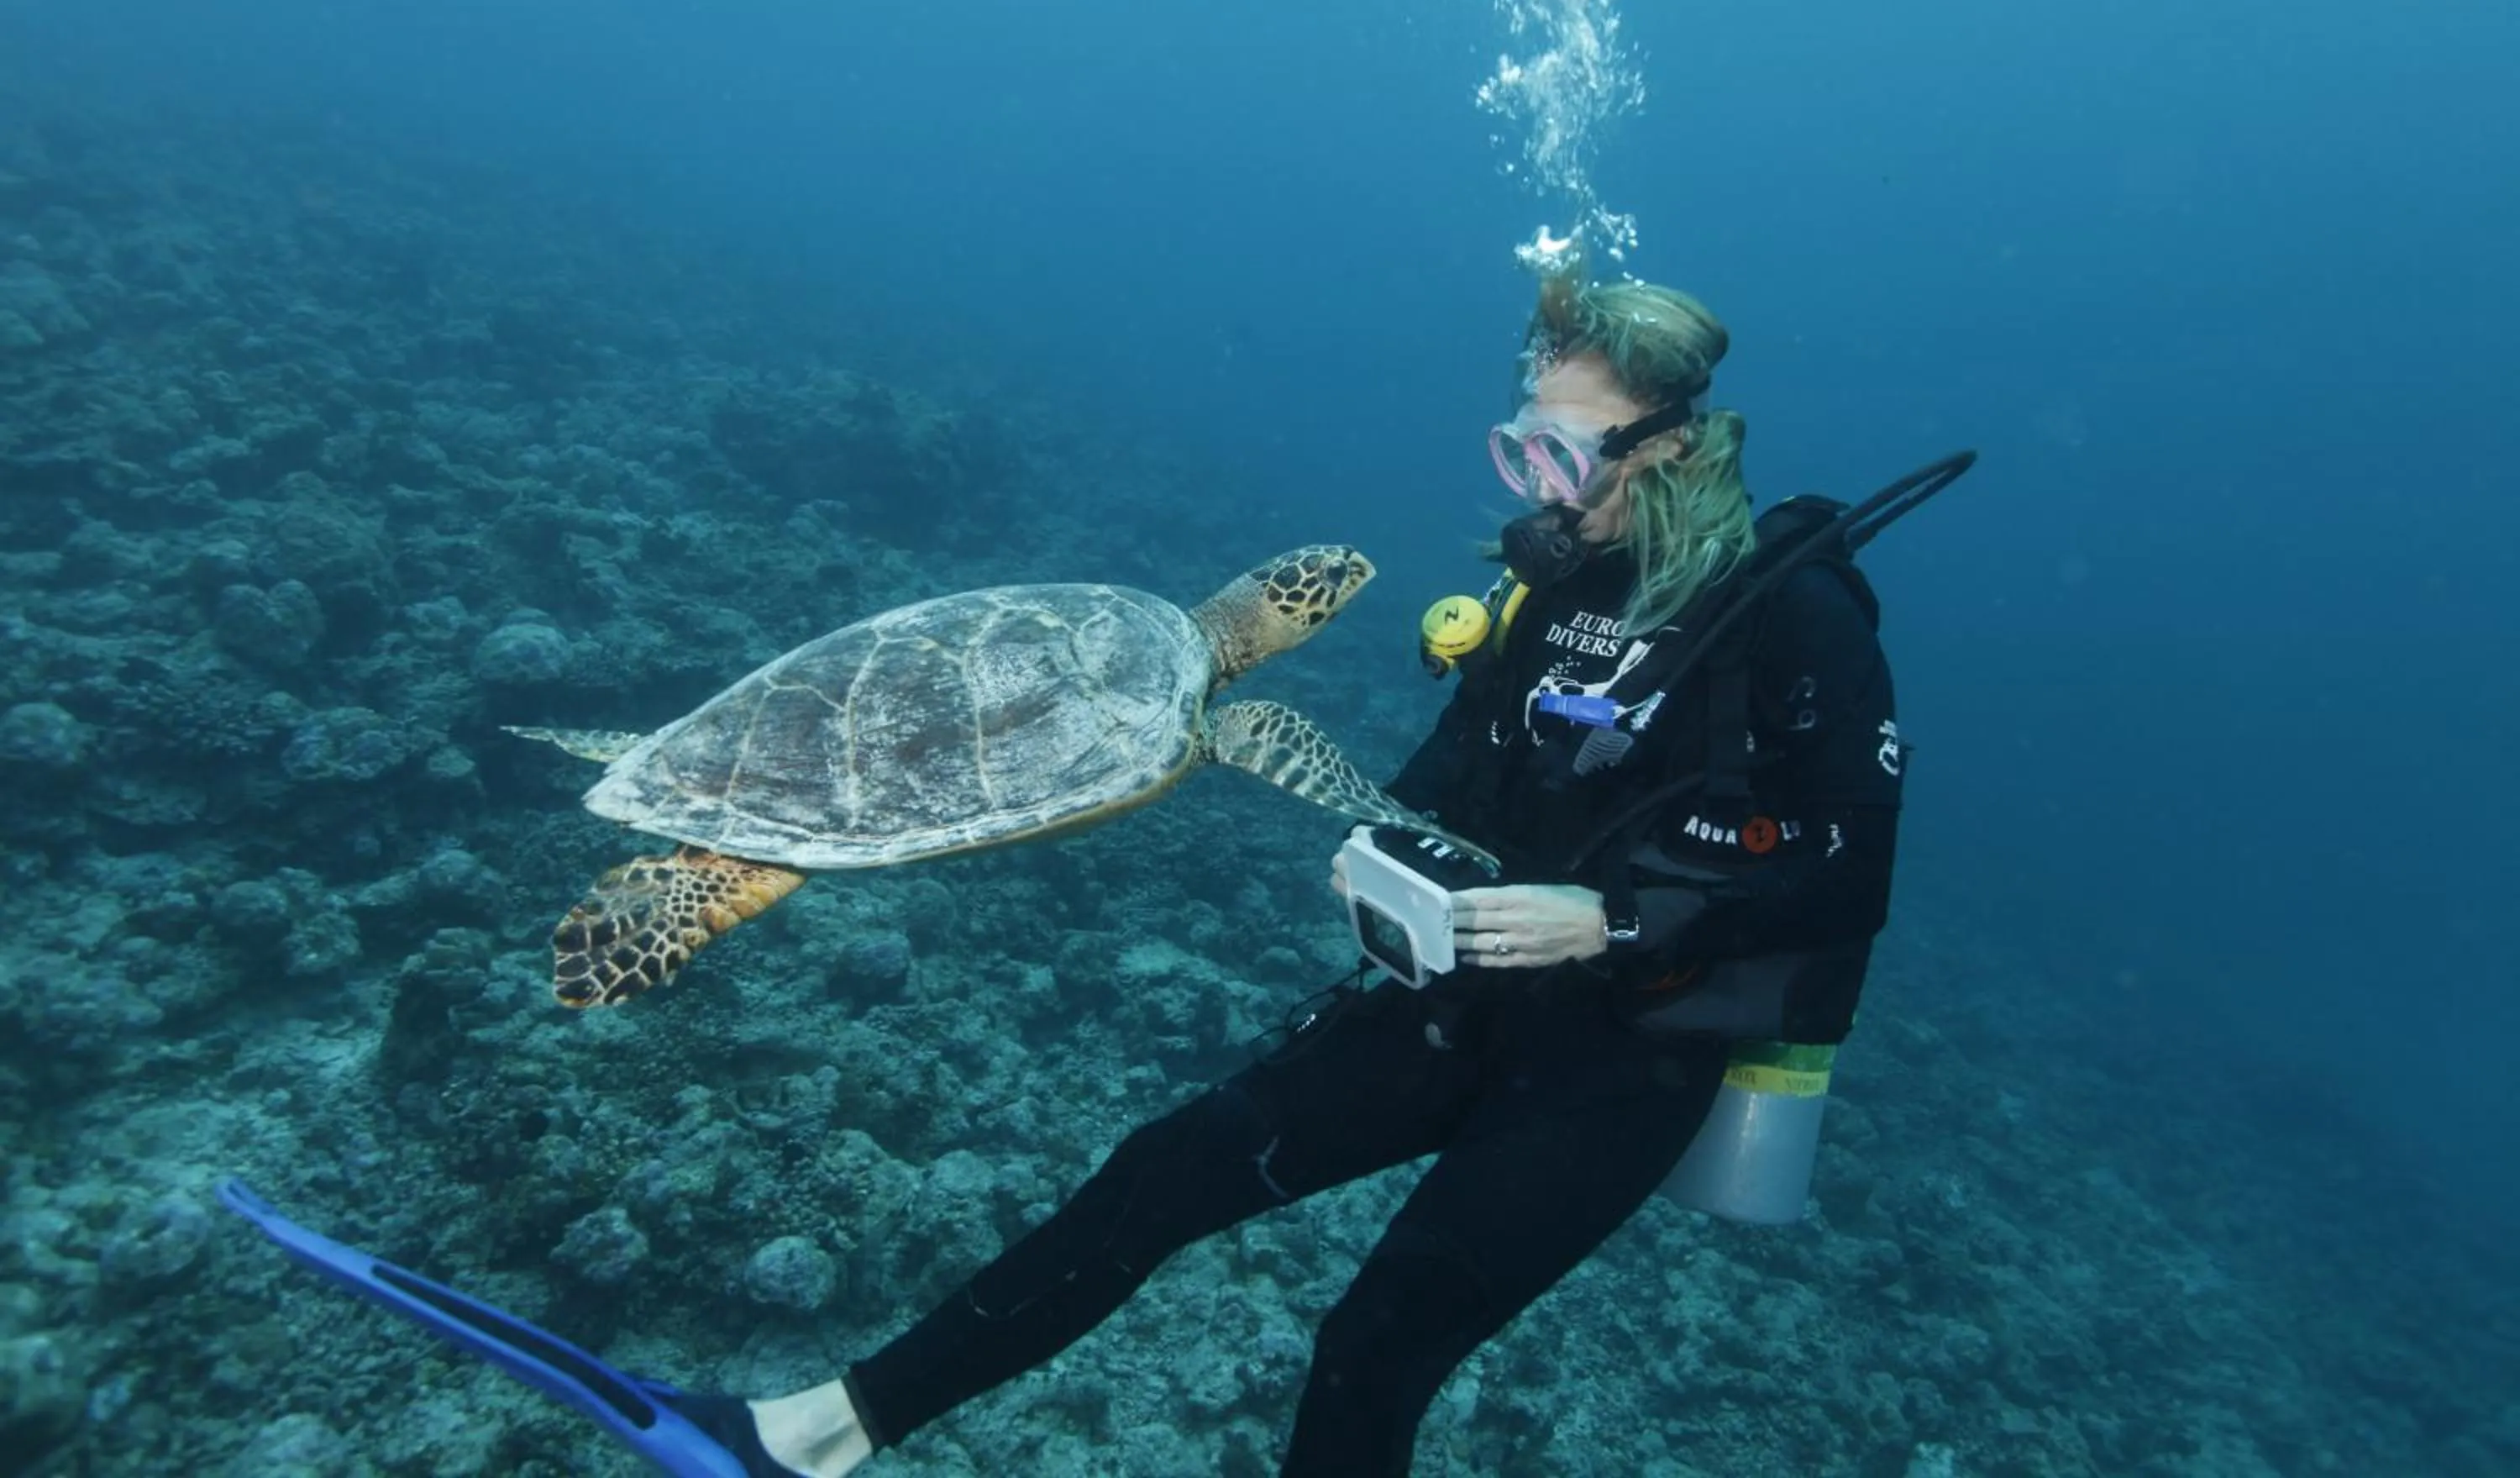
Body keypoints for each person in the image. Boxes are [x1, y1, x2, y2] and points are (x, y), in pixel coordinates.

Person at [222, 268, 1925, 1478]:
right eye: (1516, 449)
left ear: (1676, 449)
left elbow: (1844, 879)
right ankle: (816, 1432)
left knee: (1371, 1347)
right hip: (1465, 995)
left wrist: (1609, 917)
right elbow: (1442, 800)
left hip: (1638, 1048)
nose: (1531, 491)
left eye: (1564, 455)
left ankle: (705, 877)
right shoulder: (1544, 597)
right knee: (1157, 1171)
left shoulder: (1800, 624)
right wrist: (1382, 859)